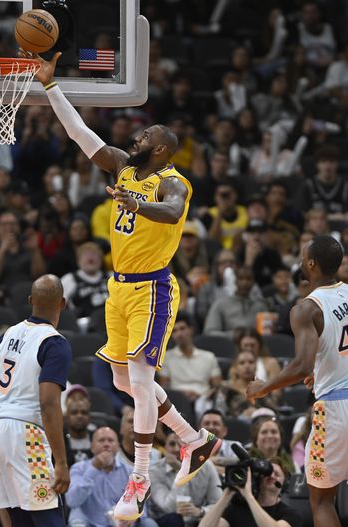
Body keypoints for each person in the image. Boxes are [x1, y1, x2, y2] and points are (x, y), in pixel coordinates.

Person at [27, 51, 221, 521]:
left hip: (153, 289)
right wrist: (52, 87)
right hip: (119, 289)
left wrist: (133, 201)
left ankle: (137, 482)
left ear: (160, 149)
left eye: (146, 136)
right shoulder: (122, 168)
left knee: (139, 380)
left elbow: (172, 213)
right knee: (119, 379)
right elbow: (81, 135)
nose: (136, 137)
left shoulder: (174, 182)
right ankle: (193, 439)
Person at [246, 235, 348, 527]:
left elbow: (301, 364)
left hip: (340, 406)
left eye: (303, 256)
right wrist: (321, 371)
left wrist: (262, 387)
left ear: (311, 264)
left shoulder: (306, 308)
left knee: (321, 499)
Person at [0, 275, 73, 526]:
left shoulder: (6, 335)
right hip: (24, 433)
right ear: (63, 303)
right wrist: (62, 462)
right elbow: (48, 403)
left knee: (21, 520)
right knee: (50, 519)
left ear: (31, 301)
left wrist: (2, 423)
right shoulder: (55, 343)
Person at [66, 427, 157, 527]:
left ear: (118, 446)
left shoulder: (130, 472)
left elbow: (142, 505)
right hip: (91, 523)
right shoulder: (79, 469)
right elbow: (72, 501)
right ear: (92, 446)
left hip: (123, 524)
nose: (106, 444)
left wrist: (134, 517)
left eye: (110, 440)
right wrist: (94, 468)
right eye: (101, 440)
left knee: (149, 523)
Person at [197, 457, 302, 527]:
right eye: (267, 473)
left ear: (285, 483)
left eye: (277, 474)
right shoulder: (235, 510)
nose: (271, 476)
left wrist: (248, 495)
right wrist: (227, 494)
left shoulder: (290, 514)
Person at [149, 431, 222, 526]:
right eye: (172, 444)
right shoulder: (154, 471)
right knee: (174, 519)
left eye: (182, 444)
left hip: (197, 519)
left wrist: (201, 511)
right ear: (165, 447)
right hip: (167, 521)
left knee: (220, 521)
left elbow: (219, 504)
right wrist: (181, 471)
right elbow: (168, 508)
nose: (177, 449)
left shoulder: (206, 466)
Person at [159, 315, 222, 403]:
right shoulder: (166, 357)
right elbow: (164, 386)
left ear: (191, 329)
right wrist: (182, 394)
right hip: (177, 398)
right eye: (174, 331)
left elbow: (217, 386)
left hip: (203, 398)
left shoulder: (209, 356)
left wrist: (203, 396)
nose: (179, 334)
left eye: (182, 328)